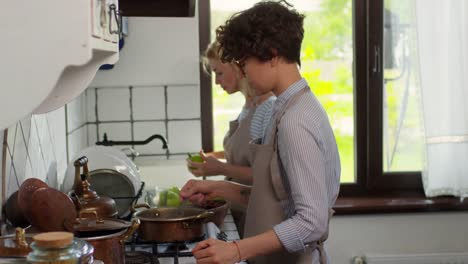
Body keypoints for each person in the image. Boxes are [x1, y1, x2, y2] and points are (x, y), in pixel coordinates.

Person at [180, 2, 341, 264]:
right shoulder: (286, 107)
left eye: (245, 63)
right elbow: (276, 197)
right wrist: (218, 187)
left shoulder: (295, 121)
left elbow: (312, 222)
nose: (243, 72)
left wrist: (236, 249)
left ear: (273, 55)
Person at [187, 41, 275, 236]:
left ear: (236, 66)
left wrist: (218, 168)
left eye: (218, 72)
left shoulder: (268, 108)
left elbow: (264, 174)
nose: (217, 81)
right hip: (242, 209)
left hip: (257, 214)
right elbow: (246, 154)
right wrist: (213, 159)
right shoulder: (250, 106)